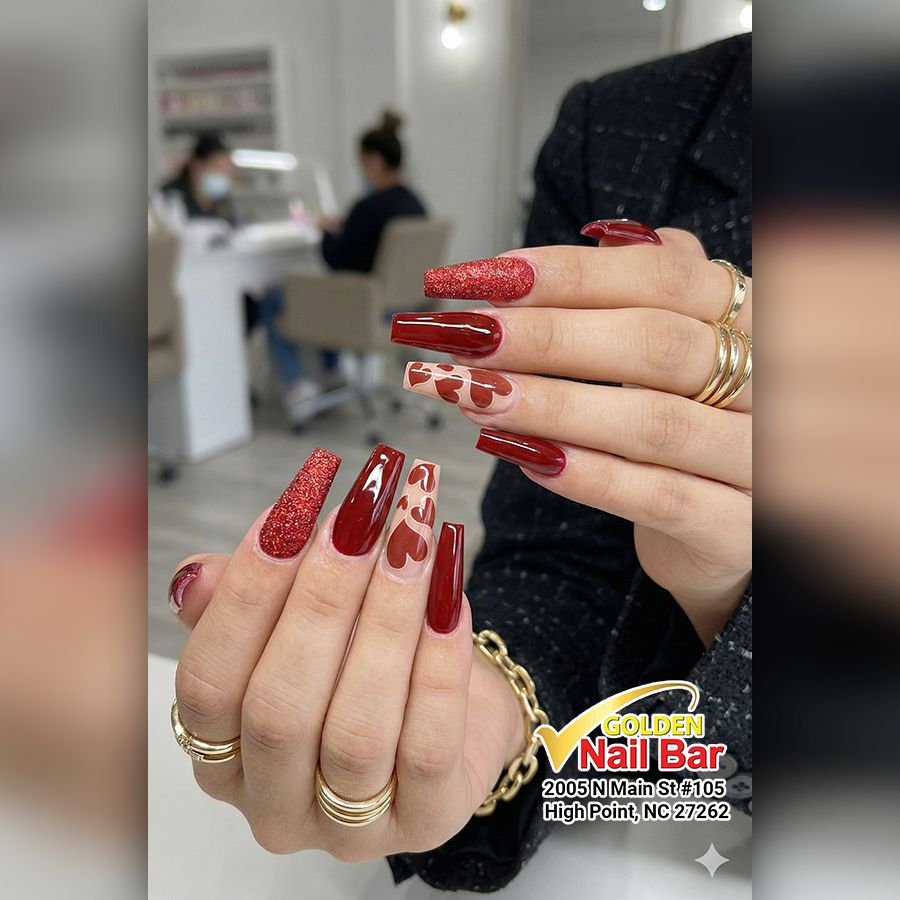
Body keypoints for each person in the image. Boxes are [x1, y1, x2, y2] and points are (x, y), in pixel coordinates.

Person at [165, 35, 751, 893]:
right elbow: (563, 552)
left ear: (368, 160)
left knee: (282, 305)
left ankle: (299, 385)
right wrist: (495, 710)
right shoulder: (626, 123)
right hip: (667, 850)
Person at [259, 109, 427, 426]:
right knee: (329, 293)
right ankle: (331, 374)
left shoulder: (368, 207)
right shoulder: (415, 204)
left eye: (360, 163)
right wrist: (346, 230)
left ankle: (298, 386)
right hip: (403, 309)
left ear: (373, 161)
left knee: (276, 296)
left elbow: (338, 261)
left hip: (365, 310)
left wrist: (326, 231)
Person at [159, 131, 236, 223]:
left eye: (226, 170)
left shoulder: (222, 204)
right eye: (217, 167)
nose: (222, 175)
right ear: (196, 165)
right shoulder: (170, 199)